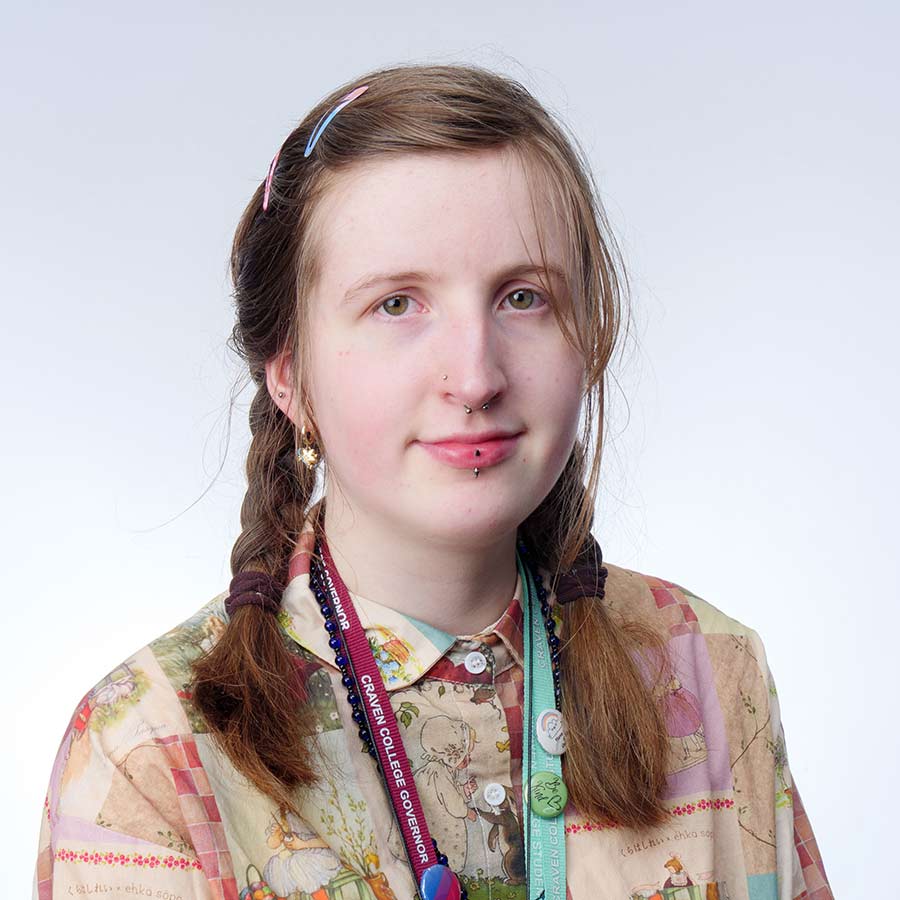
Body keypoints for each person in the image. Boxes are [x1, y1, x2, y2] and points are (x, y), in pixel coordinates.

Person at [32, 62, 832, 900]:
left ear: (589, 334)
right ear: (289, 372)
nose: (475, 377)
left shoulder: (710, 668)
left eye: (522, 297)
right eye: (397, 305)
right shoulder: (149, 752)